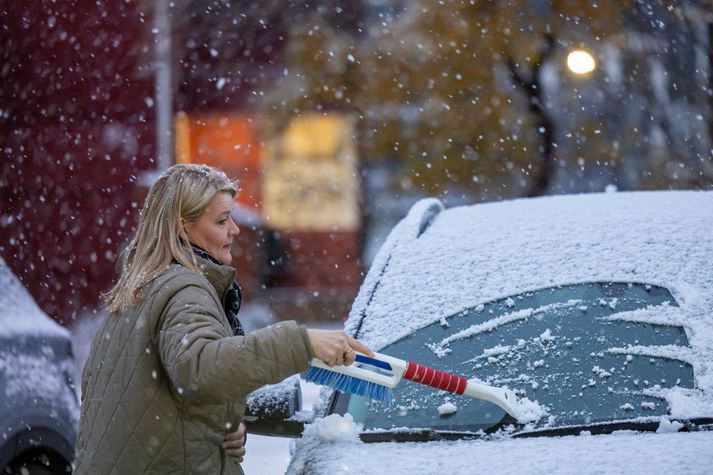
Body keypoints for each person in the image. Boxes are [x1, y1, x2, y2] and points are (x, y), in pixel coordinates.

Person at [74, 164, 372, 474]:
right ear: (181, 227)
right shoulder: (184, 289)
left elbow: (147, 401)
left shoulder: (137, 292)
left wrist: (216, 429)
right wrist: (301, 343)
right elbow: (199, 368)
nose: (235, 229)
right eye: (221, 221)